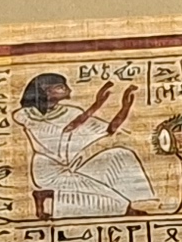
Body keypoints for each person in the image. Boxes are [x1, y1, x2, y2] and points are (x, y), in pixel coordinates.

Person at [16, 70, 147, 218]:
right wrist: (97, 105)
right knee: (112, 199)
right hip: (49, 172)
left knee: (121, 154)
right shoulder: (26, 115)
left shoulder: (70, 111)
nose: (69, 89)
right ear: (47, 91)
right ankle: (45, 195)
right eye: (61, 87)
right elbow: (66, 129)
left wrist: (124, 108)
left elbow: (109, 130)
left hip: (71, 165)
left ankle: (141, 200)